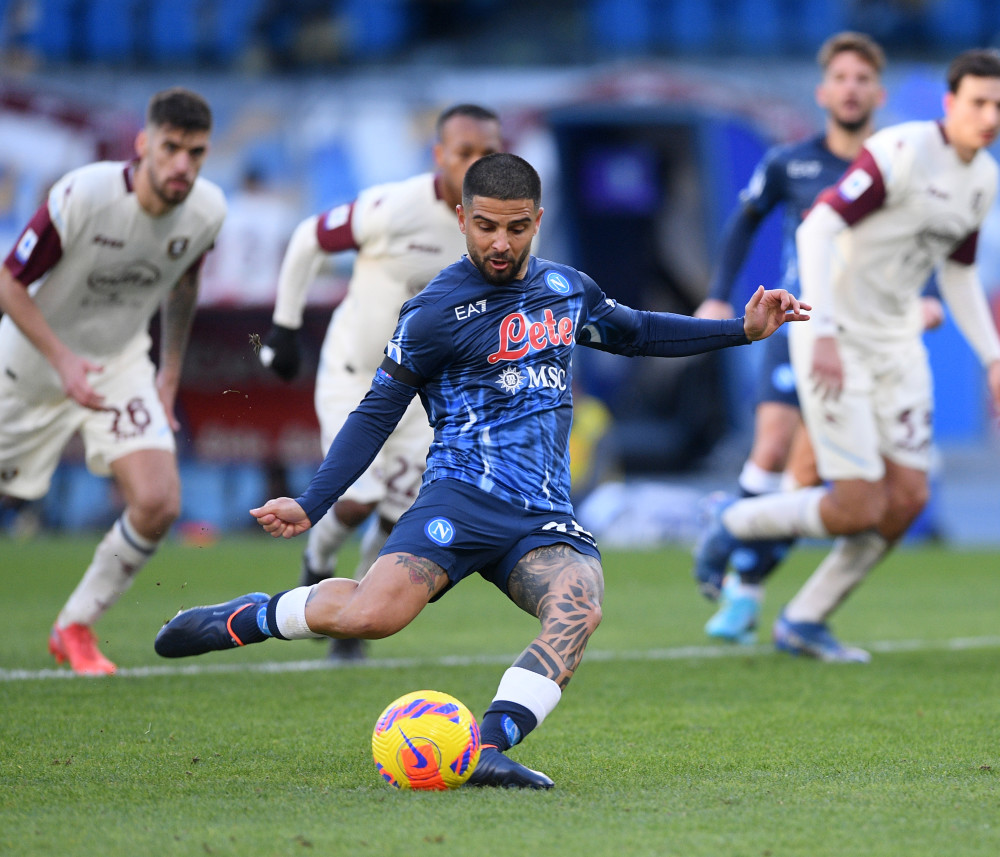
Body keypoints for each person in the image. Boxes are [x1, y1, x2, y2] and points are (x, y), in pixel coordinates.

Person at [155, 152, 809, 788]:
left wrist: (742, 333)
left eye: (517, 226)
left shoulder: (565, 289)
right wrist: (313, 500)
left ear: (538, 220)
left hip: (543, 513)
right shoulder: (434, 312)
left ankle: (487, 747)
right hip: (459, 500)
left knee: (578, 605)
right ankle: (250, 616)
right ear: (463, 217)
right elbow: (374, 414)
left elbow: (637, 331)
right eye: (487, 225)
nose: (501, 242)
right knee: (369, 616)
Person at [694, 48, 1000, 662]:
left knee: (907, 500)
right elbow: (815, 230)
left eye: (999, 105)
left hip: (896, 340)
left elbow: (961, 275)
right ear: (950, 103)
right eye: (978, 102)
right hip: (832, 332)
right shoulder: (904, 151)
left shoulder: (983, 177)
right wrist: (825, 330)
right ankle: (735, 522)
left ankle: (805, 619)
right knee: (856, 502)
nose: (989, 115)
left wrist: (992, 358)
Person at [257, 103, 503, 660]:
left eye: (488, 153)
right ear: (439, 156)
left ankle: (351, 615)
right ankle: (317, 566)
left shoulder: (496, 230)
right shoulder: (394, 208)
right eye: (465, 152)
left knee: (399, 514)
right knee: (354, 502)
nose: (476, 164)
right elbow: (308, 238)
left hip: (426, 394)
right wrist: (285, 326)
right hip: (355, 376)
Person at [0, 88, 225, 675]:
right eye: (171, 148)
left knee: (157, 501)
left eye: (195, 152)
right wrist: (61, 358)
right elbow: (9, 282)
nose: (183, 165)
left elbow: (182, 286)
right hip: (29, 362)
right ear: (144, 144)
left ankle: (75, 625)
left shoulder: (206, 211)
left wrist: (169, 373)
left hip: (120, 363)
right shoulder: (84, 193)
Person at [691, 32, 888, 642]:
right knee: (771, 448)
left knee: (806, 484)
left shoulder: (893, 165)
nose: (851, 89)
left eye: (863, 79)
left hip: (862, 334)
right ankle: (738, 585)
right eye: (842, 78)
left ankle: (741, 570)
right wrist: (720, 293)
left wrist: (927, 303)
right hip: (797, 322)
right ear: (823, 90)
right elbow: (743, 221)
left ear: (876, 92)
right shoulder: (790, 162)